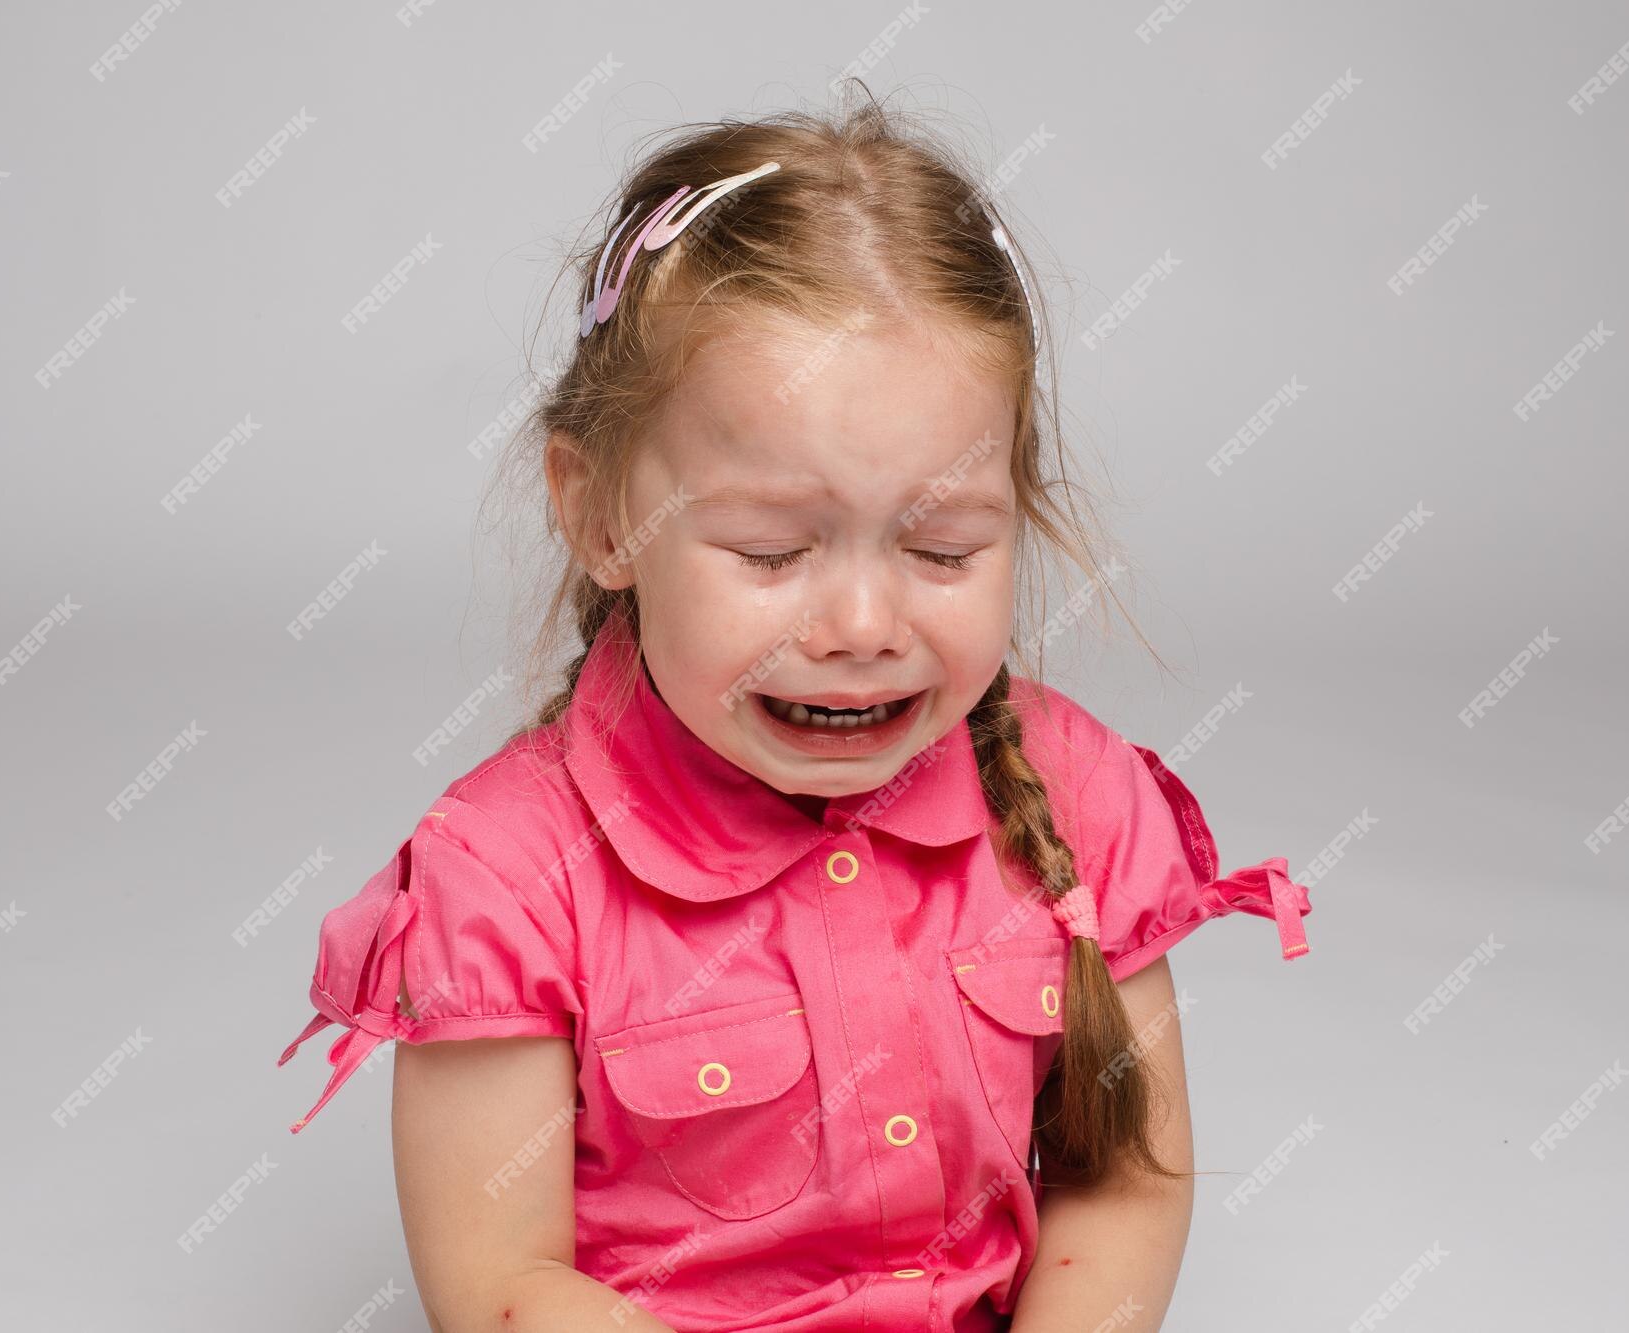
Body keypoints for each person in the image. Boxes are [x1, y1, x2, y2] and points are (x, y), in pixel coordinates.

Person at [277, 89, 1315, 1332]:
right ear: (604, 512)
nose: (864, 625)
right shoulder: (504, 880)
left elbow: (1121, 1189)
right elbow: (503, 1285)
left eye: (939, 550)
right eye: (773, 551)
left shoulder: (1077, 796)